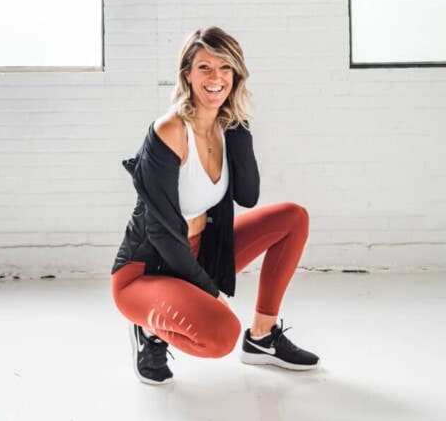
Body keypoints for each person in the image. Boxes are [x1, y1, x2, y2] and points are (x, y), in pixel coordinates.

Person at [111, 26, 319, 385]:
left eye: (225, 68)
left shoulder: (228, 127)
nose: (215, 77)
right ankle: (150, 331)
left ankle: (262, 337)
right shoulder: (169, 131)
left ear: (236, 75)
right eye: (204, 67)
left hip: (203, 251)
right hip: (147, 271)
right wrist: (211, 292)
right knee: (221, 334)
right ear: (187, 74)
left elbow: (248, 196)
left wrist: (239, 126)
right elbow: (160, 230)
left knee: (293, 218)